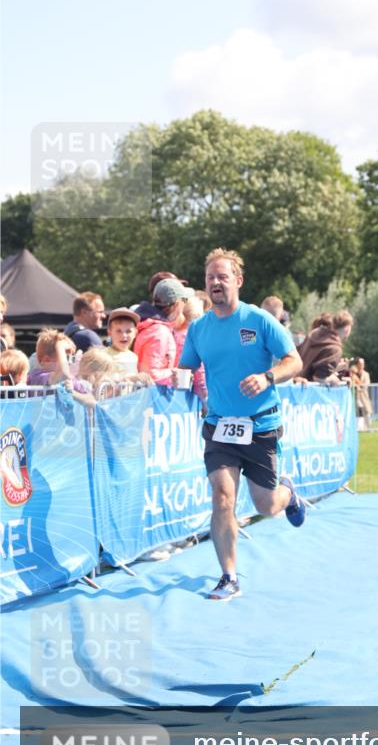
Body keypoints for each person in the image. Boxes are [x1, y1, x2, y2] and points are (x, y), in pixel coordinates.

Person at [177, 248, 307, 602]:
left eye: (222, 276)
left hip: (261, 426)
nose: (215, 283)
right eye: (210, 278)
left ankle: (288, 493)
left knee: (266, 506)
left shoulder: (259, 320)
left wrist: (267, 377)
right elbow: (186, 369)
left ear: (238, 280)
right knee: (222, 498)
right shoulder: (199, 328)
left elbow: (294, 360)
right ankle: (229, 576)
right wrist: (168, 379)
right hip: (219, 426)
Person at [134, 278, 193, 384]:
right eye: (184, 300)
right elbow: (150, 375)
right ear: (176, 304)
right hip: (151, 392)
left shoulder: (147, 323)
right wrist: (175, 374)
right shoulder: (159, 332)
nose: (185, 304)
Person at [297, 310, 354, 383]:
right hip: (307, 388)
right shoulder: (335, 349)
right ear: (347, 329)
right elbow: (318, 378)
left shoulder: (314, 333)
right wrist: (336, 380)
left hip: (294, 383)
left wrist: (335, 368)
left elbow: (311, 366)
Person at [106, 308, 140, 374]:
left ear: (135, 333)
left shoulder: (133, 357)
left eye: (128, 331)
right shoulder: (103, 356)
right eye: (118, 331)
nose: (124, 335)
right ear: (110, 332)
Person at [350, 357, 373, 431]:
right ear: (357, 364)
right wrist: (357, 386)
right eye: (360, 363)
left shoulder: (366, 374)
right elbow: (351, 383)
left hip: (364, 395)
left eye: (363, 363)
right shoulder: (352, 373)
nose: (362, 365)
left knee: (367, 411)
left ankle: (368, 427)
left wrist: (359, 386)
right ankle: (358, 427)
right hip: (355, 395)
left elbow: (367, 384)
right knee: (358, 410)